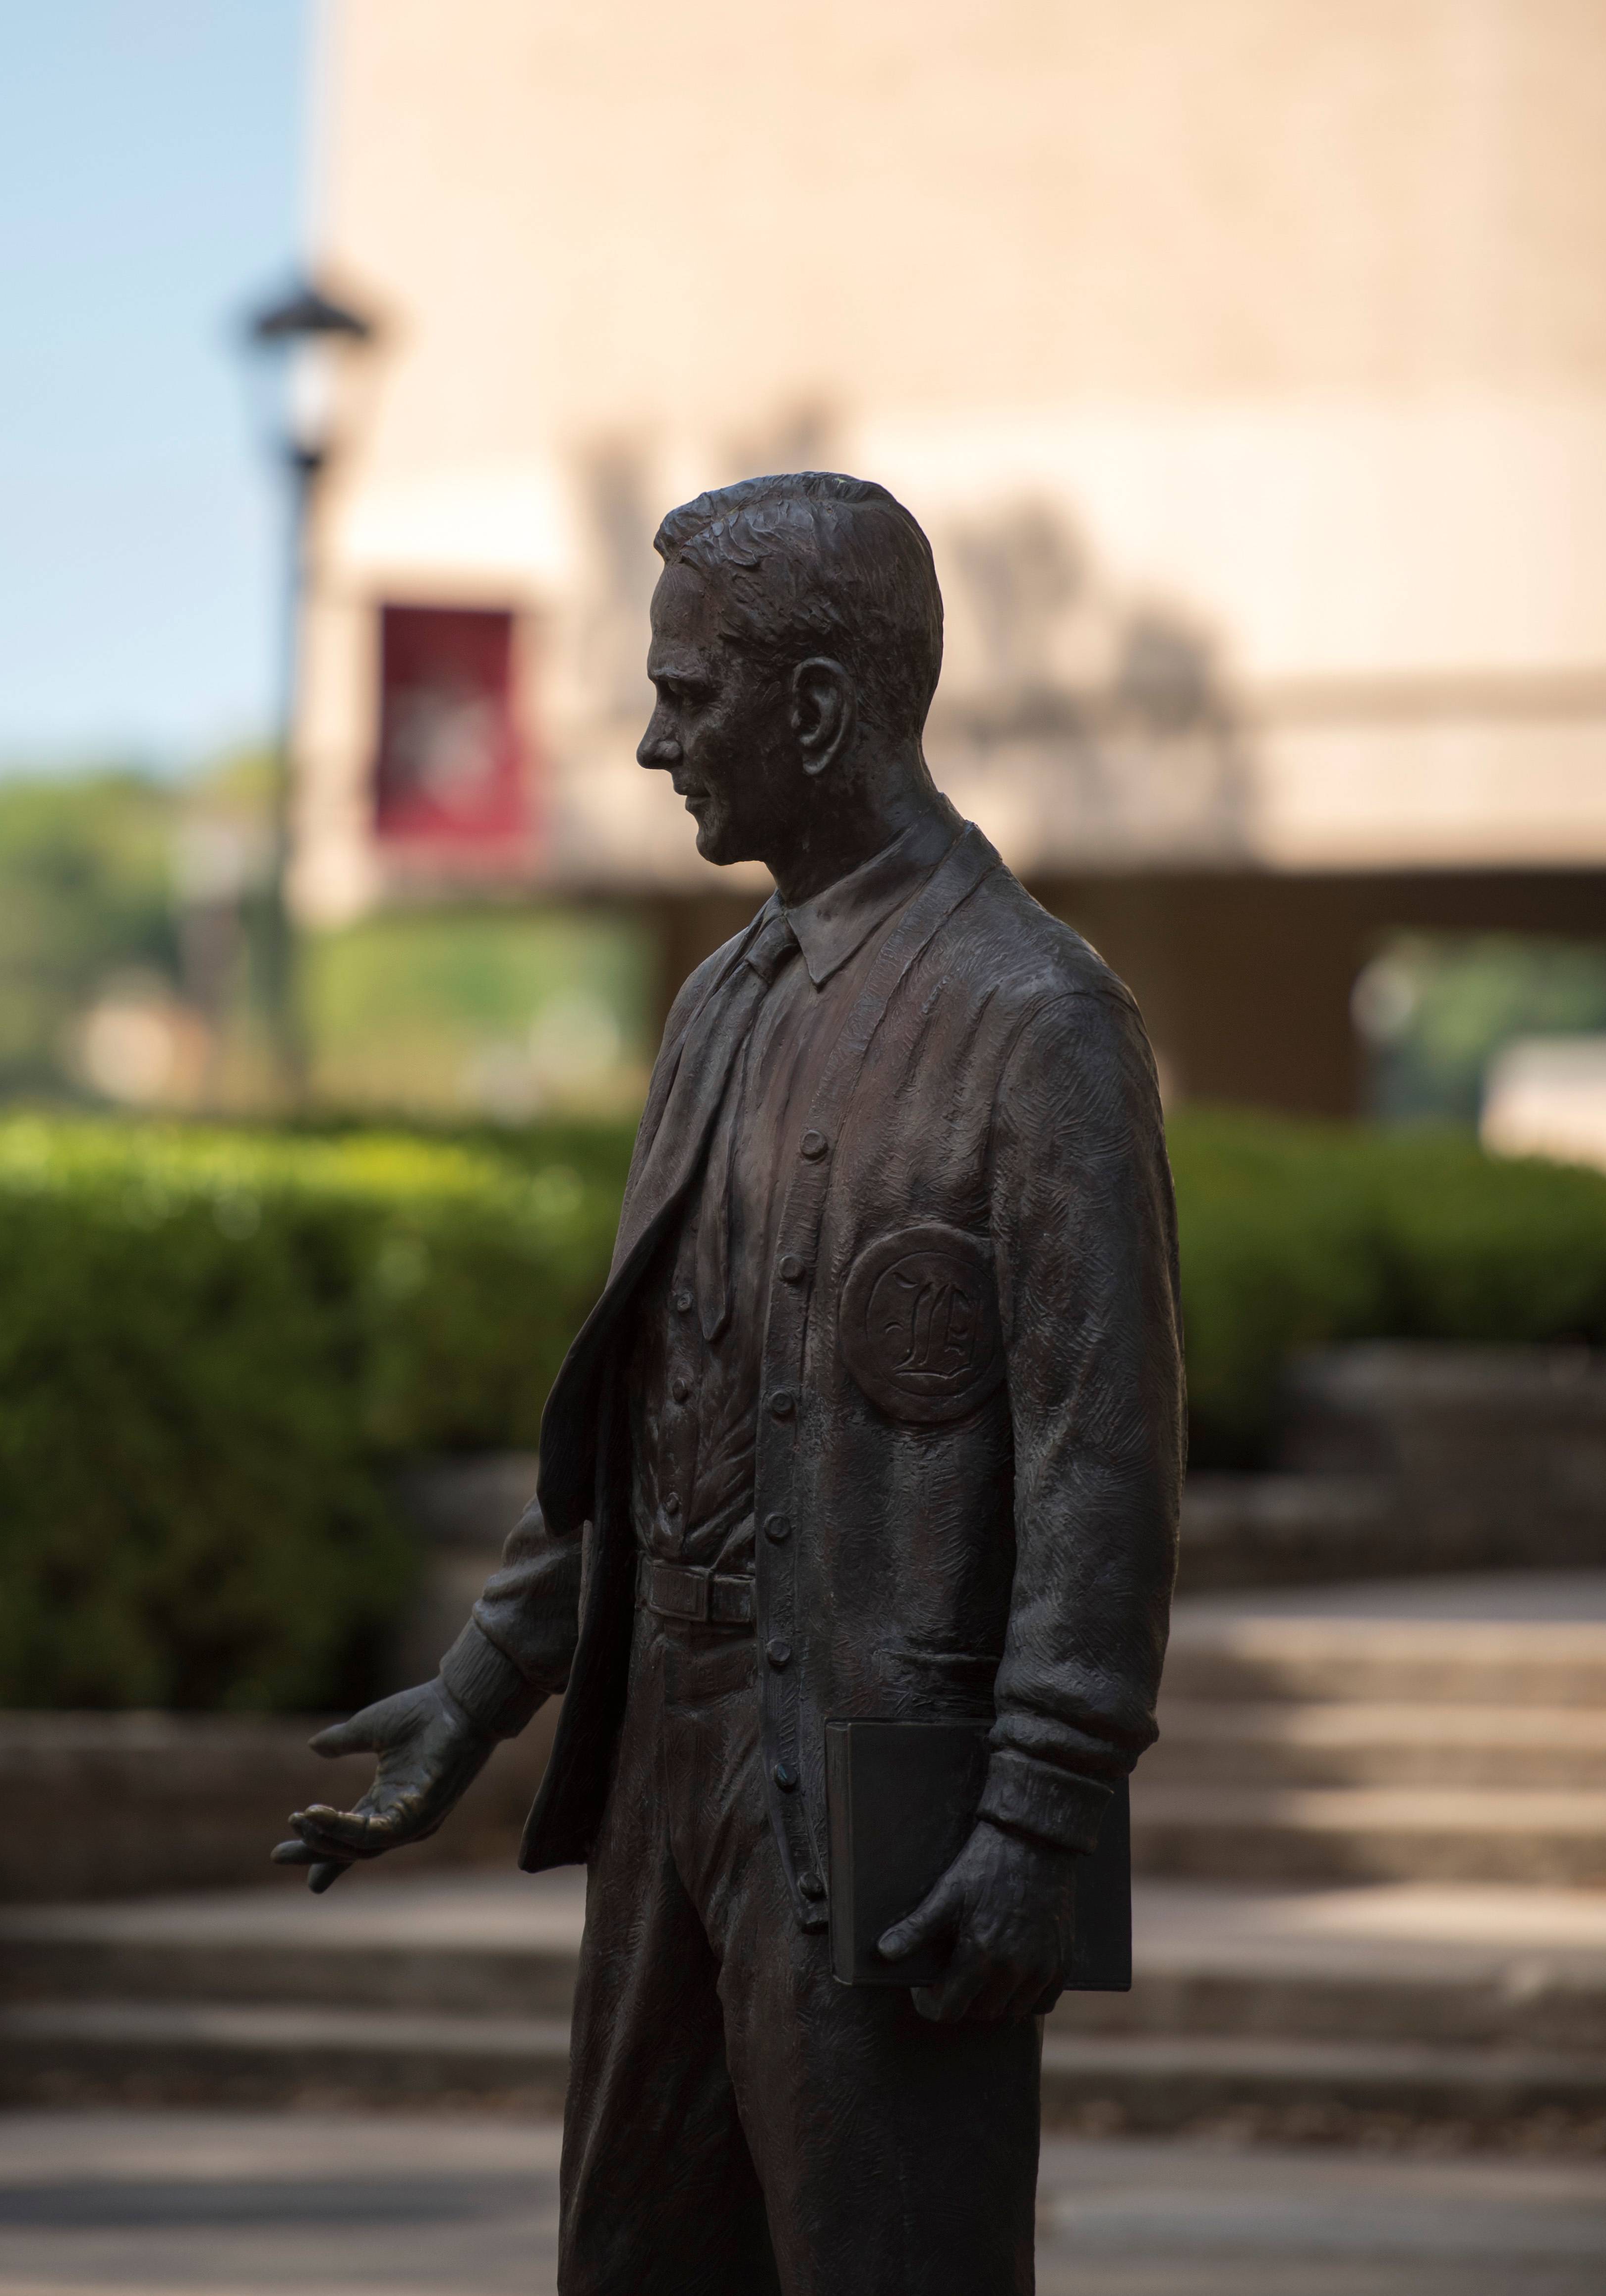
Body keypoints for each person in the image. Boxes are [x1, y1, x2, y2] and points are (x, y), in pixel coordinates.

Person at [276, 472, 1183, 2296]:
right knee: (634, 2258)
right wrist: (484, 1683)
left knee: (888, 2261)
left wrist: (1036, 1823)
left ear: (820, 711)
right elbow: (635, 1411)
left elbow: (1107, 1464)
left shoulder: (1038, 1021)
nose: (648, 743)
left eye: (687, 698)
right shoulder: (720, 1003)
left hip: (886, 1799)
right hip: (666, 1770)